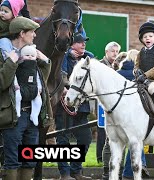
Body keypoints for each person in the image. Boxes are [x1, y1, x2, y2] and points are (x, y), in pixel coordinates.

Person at [0, 16, 52, 180]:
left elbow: (41, 83)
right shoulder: (4, 55)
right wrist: (11, 62)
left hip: (32, 117)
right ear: (22, 33)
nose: (35, 35)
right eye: (32, 32)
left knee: (29, 160)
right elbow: (2, 83)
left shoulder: (31, 55)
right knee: (12, 160)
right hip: (14, 117)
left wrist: (45, 62)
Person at [56, 32, 94, 180]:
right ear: (72, 44)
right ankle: (64, 174)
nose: (83, 44)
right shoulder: (63, 57)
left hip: (82, 107)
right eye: (80, 42)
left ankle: (75, 171)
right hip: (65, 106)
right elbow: (59, 76)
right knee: (63, 140)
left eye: (84, 42)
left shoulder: (87, 58)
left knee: (85, 138)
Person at [116, 49, 150, 180]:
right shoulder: (140, 75)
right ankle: (133, 171)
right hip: (136, 113)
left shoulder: (118, 73)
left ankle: (123, 172)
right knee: (136, 141)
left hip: (118, 114)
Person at [97, 41, 121, 164]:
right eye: (113, 51)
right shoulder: (100, 65)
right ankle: (100, 158)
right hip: (102, 101)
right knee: (102, 130)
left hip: (115, 103)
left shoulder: (119, 66)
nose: (115, 54)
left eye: (117, 51)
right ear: (107, 52)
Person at [14, 44, 42, 126]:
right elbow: (14, 75)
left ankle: (34, 115)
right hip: (21, 88)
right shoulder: (19, 66)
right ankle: (17, 111)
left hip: (33, 88)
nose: (30, 57)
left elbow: (37, 78)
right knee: (17, 97)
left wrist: (39, 87)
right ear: (21, 56)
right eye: (27, 55)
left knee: (38, 101)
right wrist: (15, 85)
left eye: (32, 55)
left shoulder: (35, 67)